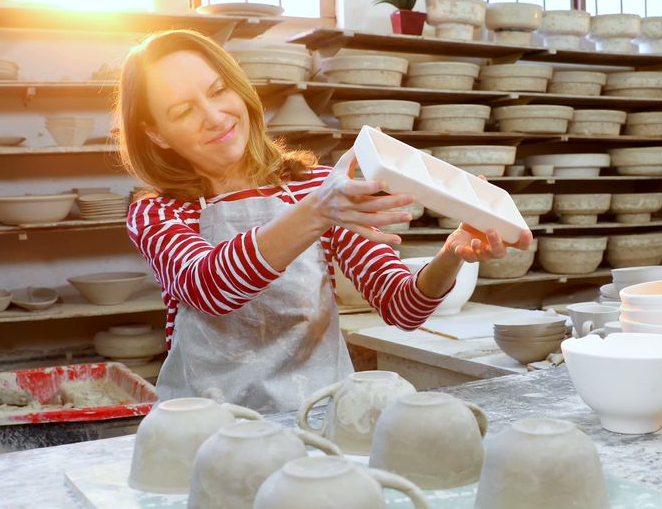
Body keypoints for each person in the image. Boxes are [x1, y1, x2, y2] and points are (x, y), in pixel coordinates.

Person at [116, 30, 532, 413]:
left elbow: (402, 306)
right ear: (157, 134)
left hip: (317, 416)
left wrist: (451, 255)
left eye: (218, 90)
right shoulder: (159, 210)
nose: (214, 116)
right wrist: (316, 212)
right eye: (184, 110)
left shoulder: (316, 186)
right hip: (207, 427)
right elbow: (209, 287)